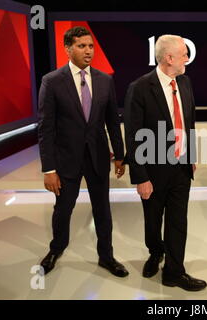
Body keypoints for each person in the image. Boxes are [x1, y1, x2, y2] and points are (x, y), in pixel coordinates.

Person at [37, 26, 128, 277]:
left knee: (103, 209)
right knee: (63, 209)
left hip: (98, 157)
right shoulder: (52, 81)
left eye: (90, 46)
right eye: (81, 46)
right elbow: (46, 129)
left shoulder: (104, 80)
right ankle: (56, 249)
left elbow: (112, 121)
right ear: (68, 48)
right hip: (66, 160)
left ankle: (106, 256)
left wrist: (120, 155)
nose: (88, 51)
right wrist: (49, 169)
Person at [123, 35, 206, 291]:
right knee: (152, 220)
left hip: (181, 168)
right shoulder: (139, 87)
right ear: (169, 58)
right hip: (153, 170)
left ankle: (174, 272)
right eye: (183, 54)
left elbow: (188, 122)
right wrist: (140, 177)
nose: (187, 58)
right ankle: (155, 253)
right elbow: (134, 136)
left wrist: (190, 156)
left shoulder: (186, 82)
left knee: (178, 221)